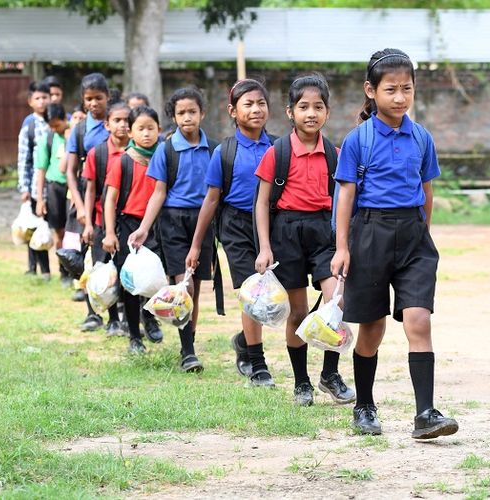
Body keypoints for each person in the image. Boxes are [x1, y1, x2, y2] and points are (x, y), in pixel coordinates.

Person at [331, 49, 457, 439]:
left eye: (407, 89)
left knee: (419, 319)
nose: (400, 97)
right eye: (391, 89)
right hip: (369, 233)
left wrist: (424, 232)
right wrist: (342, 247)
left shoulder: (421, 137)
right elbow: (345, 197)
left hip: (413, 235)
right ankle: (364, 405)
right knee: (372, 329)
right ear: (371, 91)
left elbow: (427, 189)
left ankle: (425, 414)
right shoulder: (358, 140)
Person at [254, 75, 355, 406]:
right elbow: (261, 203)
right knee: (297, 312)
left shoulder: (335, 156)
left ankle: (330, 373)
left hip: (324, 232)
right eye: (303, 107)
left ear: (327, 112)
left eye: (318, 107)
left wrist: (344, 243)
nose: (311, 113)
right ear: (290, 111)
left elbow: (344, 201)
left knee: (335, 304)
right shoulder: (277, 153)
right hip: (287, 231)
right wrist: (265, 247)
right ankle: (301, 383)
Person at [186, 79, 275, 385]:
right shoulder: (224, 152)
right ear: (232, 111)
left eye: (261, 103)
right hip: (235, 226)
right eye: (248, 104)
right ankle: (258, 363)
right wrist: (197, 246)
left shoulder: (279, 147)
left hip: (272, 224)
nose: (255, 109)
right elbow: (211, 200)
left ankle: (243, 341)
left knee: (274, 294)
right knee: (251, 292)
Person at [128, 88, 215, 373]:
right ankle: (189, 352)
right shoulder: (166, 150)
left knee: (197, 289)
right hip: (173, 222)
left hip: (203, 222)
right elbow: (158, 193)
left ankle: (187, 342)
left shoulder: (213, 149)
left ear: (202, 113)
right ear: (173, 117)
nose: (187, 117)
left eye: (192, 112)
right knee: (183, 285)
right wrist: (144, 228)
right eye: (181, 113)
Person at [102, 106, 163, 354]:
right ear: (131, 132)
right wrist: (108, 233)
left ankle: (150, 318)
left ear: (159, 130)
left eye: (151, 128)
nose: (146, 134)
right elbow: (110, 199)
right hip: (129, 226)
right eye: (140, 128)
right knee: (130, 284)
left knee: (155, 278)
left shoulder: (163, 158)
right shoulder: (123, 161)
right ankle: (134, 337)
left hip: (158, 226)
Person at [80, 102, 133, 338]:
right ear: (107, 124)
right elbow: (91, 190)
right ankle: (111, 319)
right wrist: (89, 223)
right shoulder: (97, 153)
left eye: (126, 121)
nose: (122, 125)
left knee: (128, 270)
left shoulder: (138, 152)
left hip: (131, 220)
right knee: (104, 270)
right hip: (103, 220)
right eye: (117, 120)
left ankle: (133, 318)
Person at [66, 73, 111, 331]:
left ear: (108, 97)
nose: (94, 104)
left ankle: (121, 313)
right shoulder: (81, 129)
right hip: (86, 194)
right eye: (88, 99)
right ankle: (92, 311)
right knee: (87, 255)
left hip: (114, 193)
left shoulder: (116, 122)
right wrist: (80, 206)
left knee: (111, 253)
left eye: (99, 98)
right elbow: (71, 172)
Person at [17, 80, 51, 280]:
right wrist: (24, 187)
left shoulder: (55, 119)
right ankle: (40, 269)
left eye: (44, 97)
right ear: (30, 101)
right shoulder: (29, 125)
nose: (41, 102)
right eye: (37, 98)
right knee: (34, 226)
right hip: (34, 187)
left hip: (53, 185)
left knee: (50, 226)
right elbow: (24, 159)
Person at [34, 102, 71, 286]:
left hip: (72, 189)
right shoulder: (48, 138)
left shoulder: (74, 134)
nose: (54, 128)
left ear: (65, 119)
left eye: (57, 124)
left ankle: (76, 271)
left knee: (73, 232)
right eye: (51, 125)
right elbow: (40, 170)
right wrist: (40, 199)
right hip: (55, 188)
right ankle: (63, 271)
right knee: (59, 232)